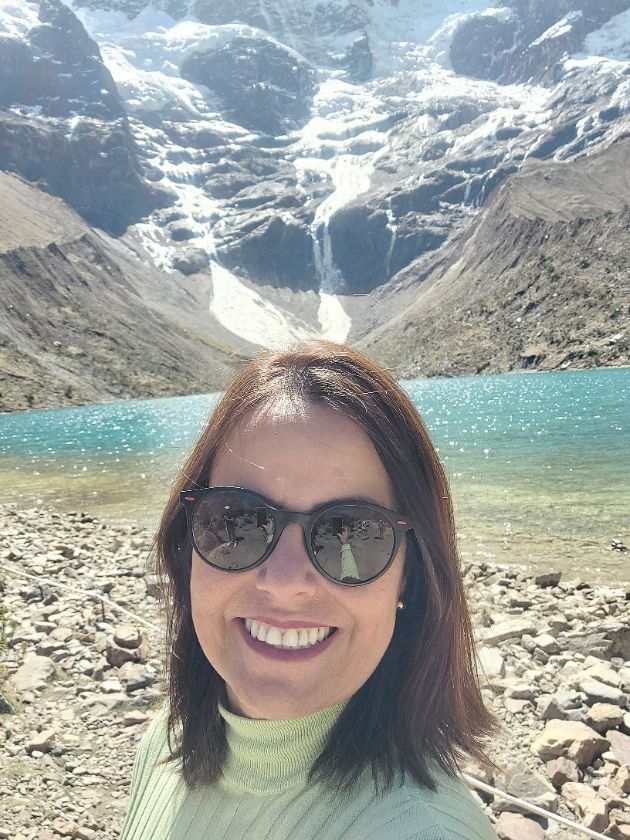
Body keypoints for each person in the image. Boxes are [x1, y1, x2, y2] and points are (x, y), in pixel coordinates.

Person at [120, 341, 498, 840]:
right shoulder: (169, 736)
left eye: (352, 533)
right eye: (235, 521)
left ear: (409, 574)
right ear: (186, 545)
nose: (284, 583)